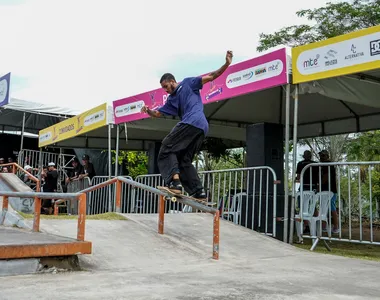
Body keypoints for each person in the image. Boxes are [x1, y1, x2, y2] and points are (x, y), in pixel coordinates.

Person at [141, 50, 233, 199]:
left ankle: (174, 183)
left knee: (166, 147)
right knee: (184, 160)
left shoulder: (188, 83)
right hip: (202, 128)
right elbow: (158, 114)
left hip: (192, 122)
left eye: (166, 86)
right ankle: (199, 192)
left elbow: (212, 76)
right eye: (163, 88)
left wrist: (226, 64)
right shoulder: (171, 100)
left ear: (172, 81)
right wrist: (148, 111)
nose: (165, 90)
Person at [318, 150, 339, 234]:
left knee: (332, 208)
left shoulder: (328, 164)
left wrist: (319, 185)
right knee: (324, 207)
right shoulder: (323, 165)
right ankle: (324, 226)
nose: (321, 157)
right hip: (325, 190)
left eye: (323, 156)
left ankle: (336, 227)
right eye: (320, 156)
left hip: (331, 190)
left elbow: (326, 177)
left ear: (327, 156)